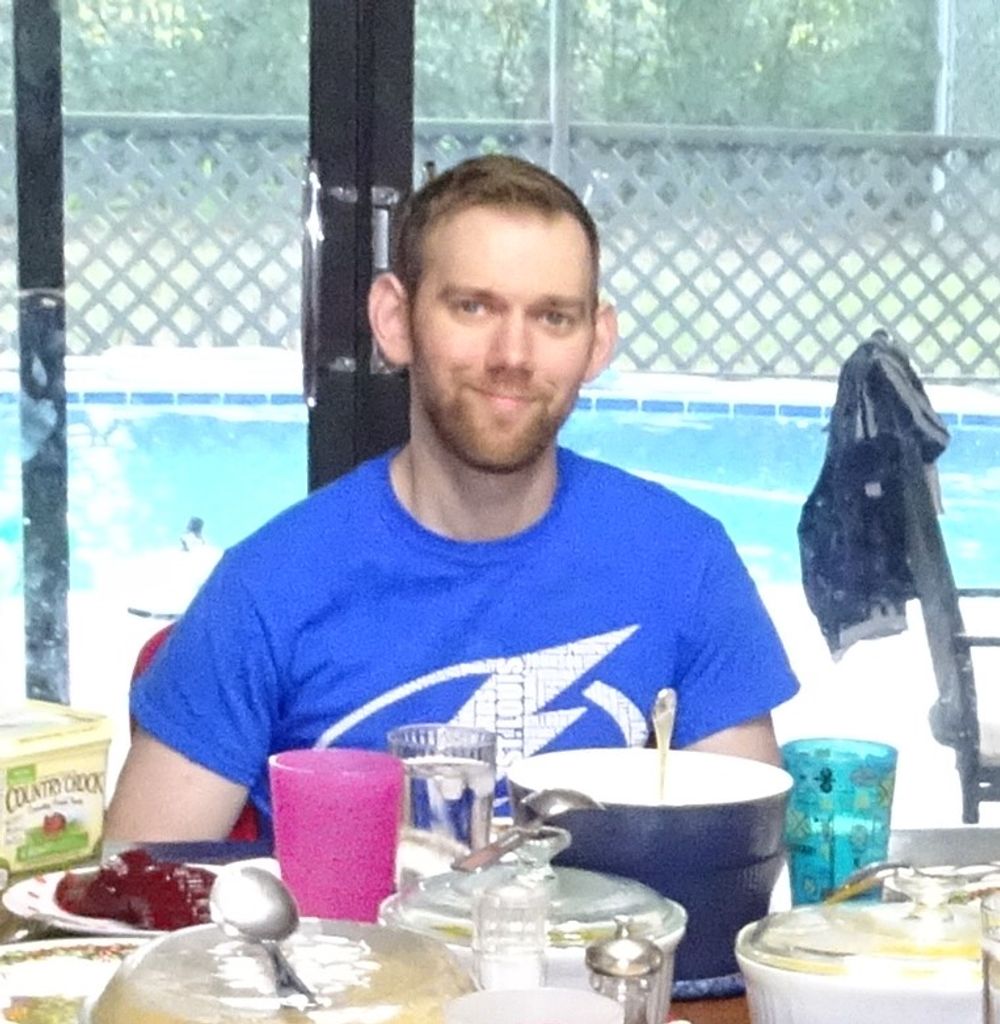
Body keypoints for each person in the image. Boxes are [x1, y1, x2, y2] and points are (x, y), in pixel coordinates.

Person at [105, 154, 799, 841]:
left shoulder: (685, 564)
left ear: (597, 341)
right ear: (395, 320)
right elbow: (130, 889)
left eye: (554, 317)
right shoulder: (267, 588)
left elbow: (738, 868)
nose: (513, 355)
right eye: (473, 307)